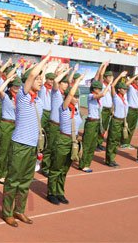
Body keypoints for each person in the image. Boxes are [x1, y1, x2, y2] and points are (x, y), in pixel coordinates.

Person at [2, 50, 51, 227]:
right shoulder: (22, 96)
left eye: (41, 80)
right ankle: (7, 212)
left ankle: (19, 210)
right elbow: (31, 75)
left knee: (25, 182)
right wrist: (43, 61)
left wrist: (44, 70)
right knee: (13, 180)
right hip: (19, 145)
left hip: (32, 147)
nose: (39, 81)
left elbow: (40, 78)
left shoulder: (39, 100)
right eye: (37, 80)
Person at [47, 74, 84, 205]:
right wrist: (77, 81)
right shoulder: (63, 108)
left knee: (64, 169)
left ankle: (60, 192)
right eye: (74, 96)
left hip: (72, 141)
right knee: (56, 167)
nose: (76, 99)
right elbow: (69, 96)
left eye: (78, 97)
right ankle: (51, 192)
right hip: (63, 139)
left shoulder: (77, 110)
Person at [41, 66, 72, 176]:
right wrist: (65, 71)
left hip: (62, 126)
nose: (66, 85)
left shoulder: (65, 95)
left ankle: (52, 165)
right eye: (64, 83)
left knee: (56, 148)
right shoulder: (56, 93)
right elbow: (55, 80)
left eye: (67, 83)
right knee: (50, 146)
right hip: (54, 124)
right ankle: (45, 166)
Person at [105, 72, 138, 167]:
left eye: (126, 89)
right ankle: (109, 159)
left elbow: (127, 84)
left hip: (122, 121)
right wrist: (119, 76)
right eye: (124, 89)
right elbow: (112, 86)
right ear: (119, 89)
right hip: (116, 121)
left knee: (117, 141)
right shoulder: (116, 97)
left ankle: (112, 158)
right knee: (112, 140)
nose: (125, 90)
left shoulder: (125, 98)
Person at [0, 66, 20, 183]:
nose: (17, 88)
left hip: (15, 126)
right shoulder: (5, 96)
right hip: (6, 124)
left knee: (11, 151)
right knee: (3, 151)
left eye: (18, 86)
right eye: (15, 86)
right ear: (10, 86)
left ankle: (6, 171)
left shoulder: (19, 98)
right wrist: (8, 80)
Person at [79, 79, 111, 172]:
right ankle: (82, 164)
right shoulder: (90, 96)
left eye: (101, 88)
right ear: (94, 89)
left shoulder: (98, 99)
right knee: (87, 144)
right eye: (98, 88)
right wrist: (108, 84)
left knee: (93, 145)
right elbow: (102, 95)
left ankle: (87, 164)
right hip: (91, 122)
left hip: (97, 122)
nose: (100, 90)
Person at [96, 64, 114, 151]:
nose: (111, 78)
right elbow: (101, 75)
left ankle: (99, 142)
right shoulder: (102, 85)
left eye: (111, 77)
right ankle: (96, 143)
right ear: (105, 78)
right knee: (100, 126)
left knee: (105, 127)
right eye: (109, 77)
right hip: (103, 109)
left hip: (108, 109)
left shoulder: (110, 86)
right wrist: (104, 66)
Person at [122, 74, 138, 149]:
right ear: (134, 80)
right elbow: (126, 84)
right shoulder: (130, 87)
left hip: (136, 111)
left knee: (132, 128)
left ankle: (127, 143)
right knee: (127, 126)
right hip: (130, 110)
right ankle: (123, 143)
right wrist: (133, 77)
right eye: (137, 80)